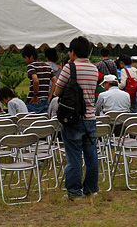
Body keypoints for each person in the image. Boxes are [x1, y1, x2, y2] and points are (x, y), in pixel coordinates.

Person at [54, 36, 99, 200]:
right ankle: (91, 189)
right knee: (91, 155)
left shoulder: (69, 67)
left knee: (73, 157)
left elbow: (57, 92)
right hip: (90, 118)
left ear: (72, 52)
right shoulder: (94, 69)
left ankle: (74, 191)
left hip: (73, 118)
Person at [22, 44, 56, 113]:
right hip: (45, 100)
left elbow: (36, 81)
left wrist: (35, 95)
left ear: (31, 57)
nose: (25, 60)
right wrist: (50, 97)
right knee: (43, 121)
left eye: (25, 58)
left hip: (34, 102)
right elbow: (55, 80)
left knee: (32, 121)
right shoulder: (47, 66)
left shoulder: (31, 66)